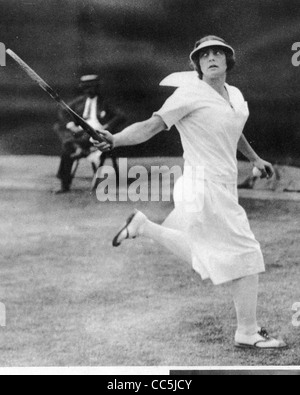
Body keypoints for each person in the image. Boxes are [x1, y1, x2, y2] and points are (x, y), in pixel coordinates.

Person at [92, 36, 287, 350]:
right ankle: (247, 332)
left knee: (211, 256)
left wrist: (254, 158)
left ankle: (144, 227)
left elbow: (233, 129)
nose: (211, 58)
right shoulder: (188, 95)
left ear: (227, 61)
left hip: (223, 186)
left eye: (217, 54)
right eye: (204, 55)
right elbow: (150, 126)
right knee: (247, 255)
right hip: (201, 186)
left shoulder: (234, 94)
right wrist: (114, 140)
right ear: (197, 64)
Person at [54, 75, 125, 193]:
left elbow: (121, 116)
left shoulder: (105, 102)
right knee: (59, 128)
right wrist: (71, 124)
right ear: (82, 88)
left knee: (68, 149)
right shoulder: (79, 101)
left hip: (96, 134)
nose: (89, 91)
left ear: (97, 87)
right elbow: (63, 111)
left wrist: (106, 127)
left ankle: (77, 148)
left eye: (92, 87)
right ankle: (65, 184)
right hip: (80, 133)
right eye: (86, 88)